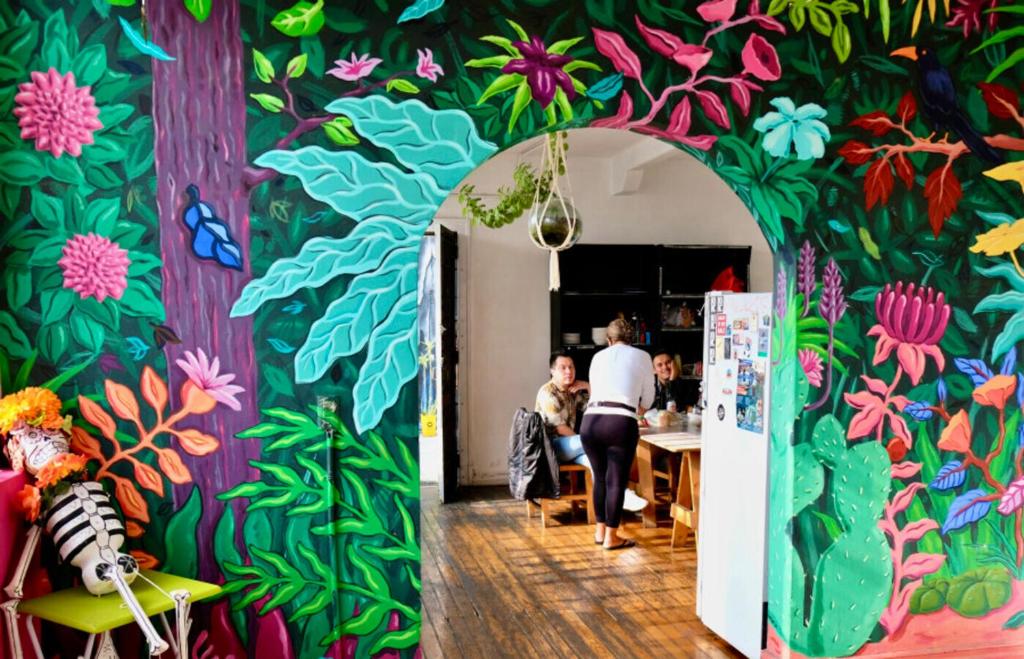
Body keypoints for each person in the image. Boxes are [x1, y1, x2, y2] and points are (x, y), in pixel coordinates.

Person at [535, 352, 647, 511]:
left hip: (571, 447)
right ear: (552, 371)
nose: (568, 371)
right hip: (552, 448)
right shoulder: (548, 393)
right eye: (563, 368)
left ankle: (616, 498)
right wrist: (589, 443)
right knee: (598, 445)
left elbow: (596, 408)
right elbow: (560, 428)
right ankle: (621, 493)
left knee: (596, 462)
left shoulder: (571, 390)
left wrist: (588, 387)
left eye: (571, 367)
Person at [581, 319, 655, 550]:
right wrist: (637, 409)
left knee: (600, 477)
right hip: (619, 423)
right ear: (631, 339)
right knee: (616, 481)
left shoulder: (597, 357)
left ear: (609, 339)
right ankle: (612, 537)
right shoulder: (642, 357)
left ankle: (600, 531)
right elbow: (649, 399)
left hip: (590, 421)